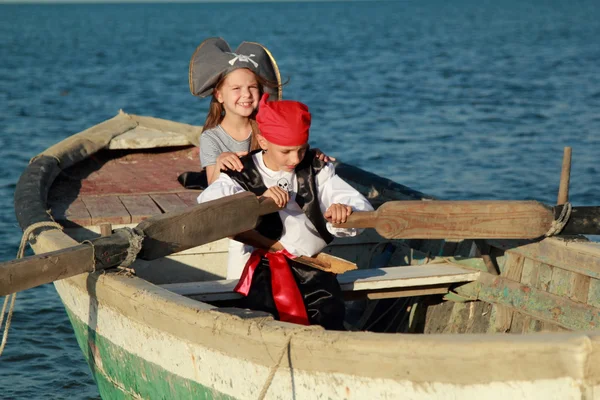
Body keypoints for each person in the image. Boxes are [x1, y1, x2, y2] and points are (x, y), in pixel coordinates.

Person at [197, 94, 373, 330]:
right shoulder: (241, 171)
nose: (295, 159)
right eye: (286, 151)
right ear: (264, 141)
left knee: (329, 320)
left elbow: (353, 201)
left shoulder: (316, 168)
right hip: (264, 270)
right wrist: (257, 201)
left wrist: (344, 209)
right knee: (265, 325)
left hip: (314, 269)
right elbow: (208, 206)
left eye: (301, 150)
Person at [187, 37, 334, 186]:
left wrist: (310, 154)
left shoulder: (268, 126)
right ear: (219, 95)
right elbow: (212, 186)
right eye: (236, 88)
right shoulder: (211, 138)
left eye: (252, 87)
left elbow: (288, 155)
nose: (246, 94)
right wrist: (220, 162)